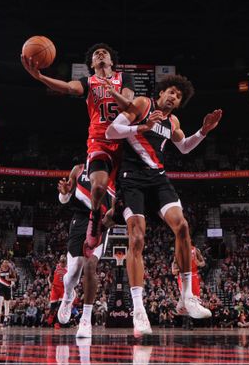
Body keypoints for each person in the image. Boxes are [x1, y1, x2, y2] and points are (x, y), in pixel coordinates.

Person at [104, 75, 222, 336]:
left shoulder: (173, 122)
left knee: (182, 227)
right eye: (170, 92)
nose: (173, 97)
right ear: (160, 93)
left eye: (178, 96)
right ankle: (138, 310)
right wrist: (142, 127)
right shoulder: (143, 104)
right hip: (132, 179)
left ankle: (187, 298)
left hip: (157, 179)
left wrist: (203, 132)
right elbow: (111, 131)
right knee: (136, 239)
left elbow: (184, 148)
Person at [22, 43, 134, 257]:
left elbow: (128, 103)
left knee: (119, 210)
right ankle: (94, 217)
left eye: (105, 53)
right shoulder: (88, 82)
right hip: (99, 141)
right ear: (91, 64)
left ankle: (103, 222)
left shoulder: (124, 78)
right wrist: (40, 77)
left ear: (111, 61)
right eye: (96, 54)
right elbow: (67, 87)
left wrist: (114, 93)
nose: (100, 54)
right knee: (98, 188)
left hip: (124, 143)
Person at [56, 163, 115, 338]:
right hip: (80, 220)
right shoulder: (78, 170)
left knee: (90, 267)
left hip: (100, 221)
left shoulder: (112, 173)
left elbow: (115, 205)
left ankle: (86, 319)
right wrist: (64, 193)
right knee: (73, 273)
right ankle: (68, 295)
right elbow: (64, 200)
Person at [172, 245, 206, 330]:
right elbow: (174, 263)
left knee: (193, 299)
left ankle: (189, 321)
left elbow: (203, 262)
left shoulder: (195, 250)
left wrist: (199, 263)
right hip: (183, 275)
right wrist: (174, 269)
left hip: (193, 275)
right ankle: (186, 321)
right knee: (185, 298)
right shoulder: (179, 251)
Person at [0, 259, 16, 327]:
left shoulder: (11, 270)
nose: (6, 263)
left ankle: (5, 320)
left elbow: (15, 279)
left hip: (8, 288)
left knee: (7, 305)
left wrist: (9, 279)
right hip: (1, 288)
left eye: (7, 262)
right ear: (2, 263)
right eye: (4, 262)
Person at [48, 256, 67, 327]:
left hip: (63, 289)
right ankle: (51, 316)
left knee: (60, 307)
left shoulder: (68, 268)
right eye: (61, 262)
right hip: (55, 288)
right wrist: (50, 284)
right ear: (59, 261)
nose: (63, 264)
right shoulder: (55, 267)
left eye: (64, 262)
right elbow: (49, 277)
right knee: (53, 306)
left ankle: (57, 322)